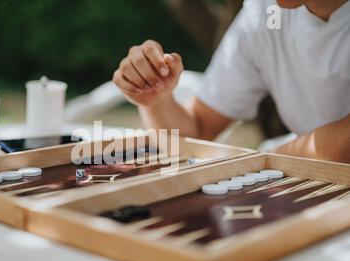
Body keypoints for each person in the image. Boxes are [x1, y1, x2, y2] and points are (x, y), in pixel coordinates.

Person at [112, 0, 350, 163]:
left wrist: (265, 158)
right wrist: (155, 99)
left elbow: (342, 146)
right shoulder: (265, 13)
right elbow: (196, 129)